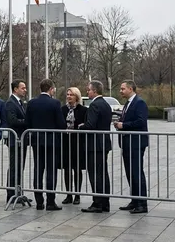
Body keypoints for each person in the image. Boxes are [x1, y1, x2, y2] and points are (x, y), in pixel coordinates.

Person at [24, 79, 67, 210]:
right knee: (51, 171)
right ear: (50, 89)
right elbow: (61, 124)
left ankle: (39, 201)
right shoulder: (55, 103)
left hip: (37, 141)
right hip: (52, 141)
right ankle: (50, 201)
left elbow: (27, 123)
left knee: (38, 170)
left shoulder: (32, 103)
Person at [114, 80, 149, 214]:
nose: (121, 91)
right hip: (127, 143)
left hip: (136, 142)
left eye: (123, 89)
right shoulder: (128, 103)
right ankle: (134, 200)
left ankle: (142, 203)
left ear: (130, 89)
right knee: (130, 173)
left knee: (136, 172)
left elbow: (141, 121)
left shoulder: (139, 103)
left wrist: (124, 125)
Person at [79, 81, 112, 213]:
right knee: (103, 173)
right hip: (103, 143)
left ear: (95, 91)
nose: (87, 92)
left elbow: (91, 125)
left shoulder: (94, 105)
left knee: (95, 174)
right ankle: (105, 202)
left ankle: (97, 202)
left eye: (89, 90)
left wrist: (82, 126)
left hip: (94, 145)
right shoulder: (105, 104)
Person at [4, 80, 31, 205]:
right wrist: (27, 122)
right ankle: (11, 193)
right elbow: (12, 120)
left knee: (20, 167)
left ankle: (18, 192)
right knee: (15, 167)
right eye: (23, 88)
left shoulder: (20, 103)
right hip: (15, 140)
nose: (25, 90)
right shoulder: (10, 103)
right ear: (15, 89)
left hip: (22, 140)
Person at [60, 87, 87, 205]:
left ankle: (77, 194)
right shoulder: (62, 109)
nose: (69, 96)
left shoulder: (83, 110)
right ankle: (68, 194)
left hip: (77, 142)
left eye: (71, 95)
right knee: (67, 169)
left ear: (77, 96)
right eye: (68, 94)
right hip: (65, 142)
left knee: (77, 169)